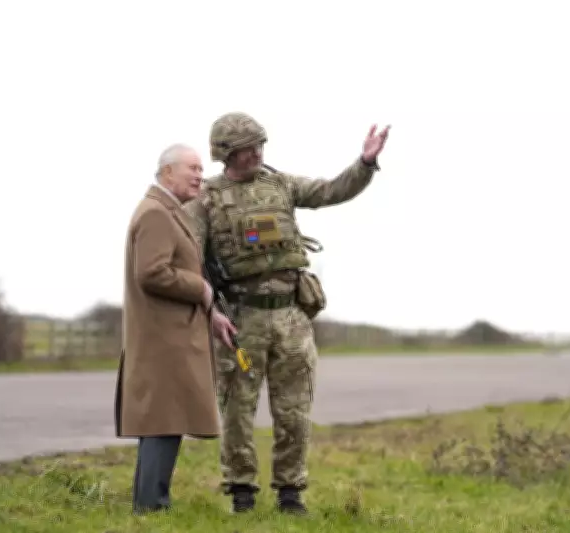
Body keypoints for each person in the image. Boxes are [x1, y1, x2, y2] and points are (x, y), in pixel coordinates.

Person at [183, 112, 390, 515]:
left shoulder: (281, 185)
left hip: (292, 317)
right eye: (247, 149)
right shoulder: (205, 199)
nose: (257, 153)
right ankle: (241, 493)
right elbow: (191, 261)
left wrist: (365, 164)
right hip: (239, 319)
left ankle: (290, 494)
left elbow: (332, 190)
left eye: (260, 145)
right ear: (226, 153)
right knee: (238, 409)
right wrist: (210, 312)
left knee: (294, 409)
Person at [114, 143, 237, 514]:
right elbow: (152, 273)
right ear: (167, 172)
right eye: (193, 168)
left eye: (202, 169)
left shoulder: (169, 211)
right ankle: (151, 507)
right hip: (162, 340)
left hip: (171, 336)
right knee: (161, 423)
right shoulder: (156, 213)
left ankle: (150, 505)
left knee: (164, 423)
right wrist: (200, 287)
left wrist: (210, 311)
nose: (201, 175)